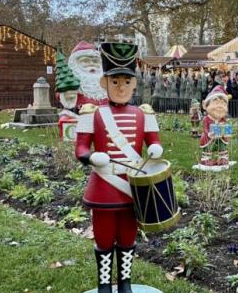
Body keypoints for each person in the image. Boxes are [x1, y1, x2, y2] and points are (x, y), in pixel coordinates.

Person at [75, 42, 164, 293]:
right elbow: (80, 149)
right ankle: (105, 284)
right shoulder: (91, 113)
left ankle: (124, 283)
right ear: (105, 83)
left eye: (126, 81)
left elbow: (153, 142)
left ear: (134, 84)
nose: (121, 87)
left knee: (127, 238)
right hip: (104, 185)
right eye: (115, 82)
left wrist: (156, 150)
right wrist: (92, 158)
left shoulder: (143, 113)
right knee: (103, 239)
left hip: (131, 187)